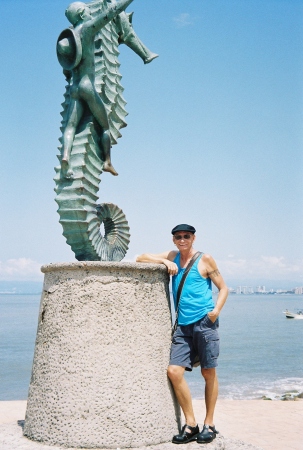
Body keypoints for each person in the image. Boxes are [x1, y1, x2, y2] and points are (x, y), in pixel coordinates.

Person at [136, 224, 228, 444]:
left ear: (193, 238)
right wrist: (163, 261)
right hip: (183, 327)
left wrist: (214, 312)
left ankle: (210, 424)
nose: (182, 239)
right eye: (178, 237)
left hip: (205, 324)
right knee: (174, 371)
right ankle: (191, 424)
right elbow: (140, 257)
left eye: (186, 236)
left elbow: (223, 288)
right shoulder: (173, 256)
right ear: (174, 240)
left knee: (208, 373)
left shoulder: (205, 259)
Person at [57, 0, 133, 178]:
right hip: (87, 86)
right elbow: (113, 11)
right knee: (105, 126)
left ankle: (66, 156)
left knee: (70, 126)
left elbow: (66, 70)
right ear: (83, 14)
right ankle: (107, 161)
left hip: (75, 87)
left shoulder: (69, 40)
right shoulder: (87, 29)